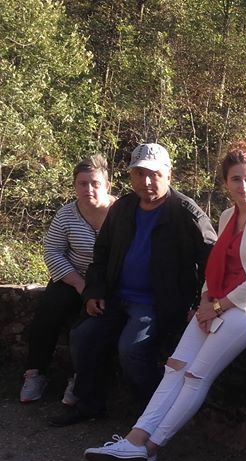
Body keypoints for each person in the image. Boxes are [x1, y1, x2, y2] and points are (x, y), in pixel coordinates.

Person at [81, 141, 246, 461]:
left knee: (196, 375)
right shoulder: (228, 215)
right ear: (225, 183)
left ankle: (150, 448)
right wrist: (205, 301)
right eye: (236, 179)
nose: (243, 185)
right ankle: (134, 439)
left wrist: (218, 306)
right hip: (220, 300)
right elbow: (215, 267)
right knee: (175, 366)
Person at [49, 143, 217, 427]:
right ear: (131, 176)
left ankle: (152, 417)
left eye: (154, 174)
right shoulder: (123, 208)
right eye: (139, 174)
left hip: (156, 303)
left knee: (131, 349)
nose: (146, 181)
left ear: (168, 175)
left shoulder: (185, 213)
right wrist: (94, 291)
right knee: (83, 336)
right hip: (115, 297)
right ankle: (90, 405)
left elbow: (212, 261)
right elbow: (102, 253)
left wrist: (200, 302)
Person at [20, 155, 116, 404]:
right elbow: (52, 251)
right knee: (48, 313)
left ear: (107, 185)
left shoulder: (122, 213)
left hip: (108, 283)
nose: (88, 189)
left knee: (86, 324)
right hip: (73, 277)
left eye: (95, 183)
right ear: (75, 186)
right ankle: (35, 373)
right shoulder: (66, 215)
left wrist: (97, 290)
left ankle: (78, 379)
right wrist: (80, 285)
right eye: (82, 183)